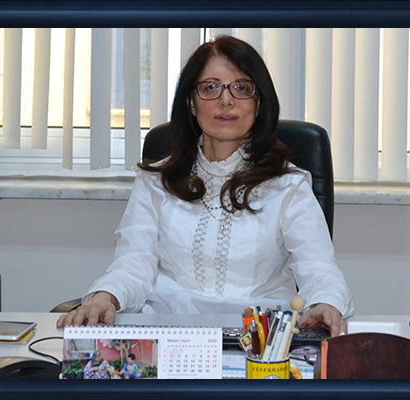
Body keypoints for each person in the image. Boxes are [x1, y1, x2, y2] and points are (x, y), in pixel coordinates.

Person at [57, 35, 354, 336]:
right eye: (211, 87)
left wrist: (325, 303)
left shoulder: (287, 186)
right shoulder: (156, 181)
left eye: (242, 88)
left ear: (259, 103)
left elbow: (319, 269)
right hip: (169, 336)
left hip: (259, 343)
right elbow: (133, 265)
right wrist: (105, 297)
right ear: (191, 102)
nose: (226, 100)